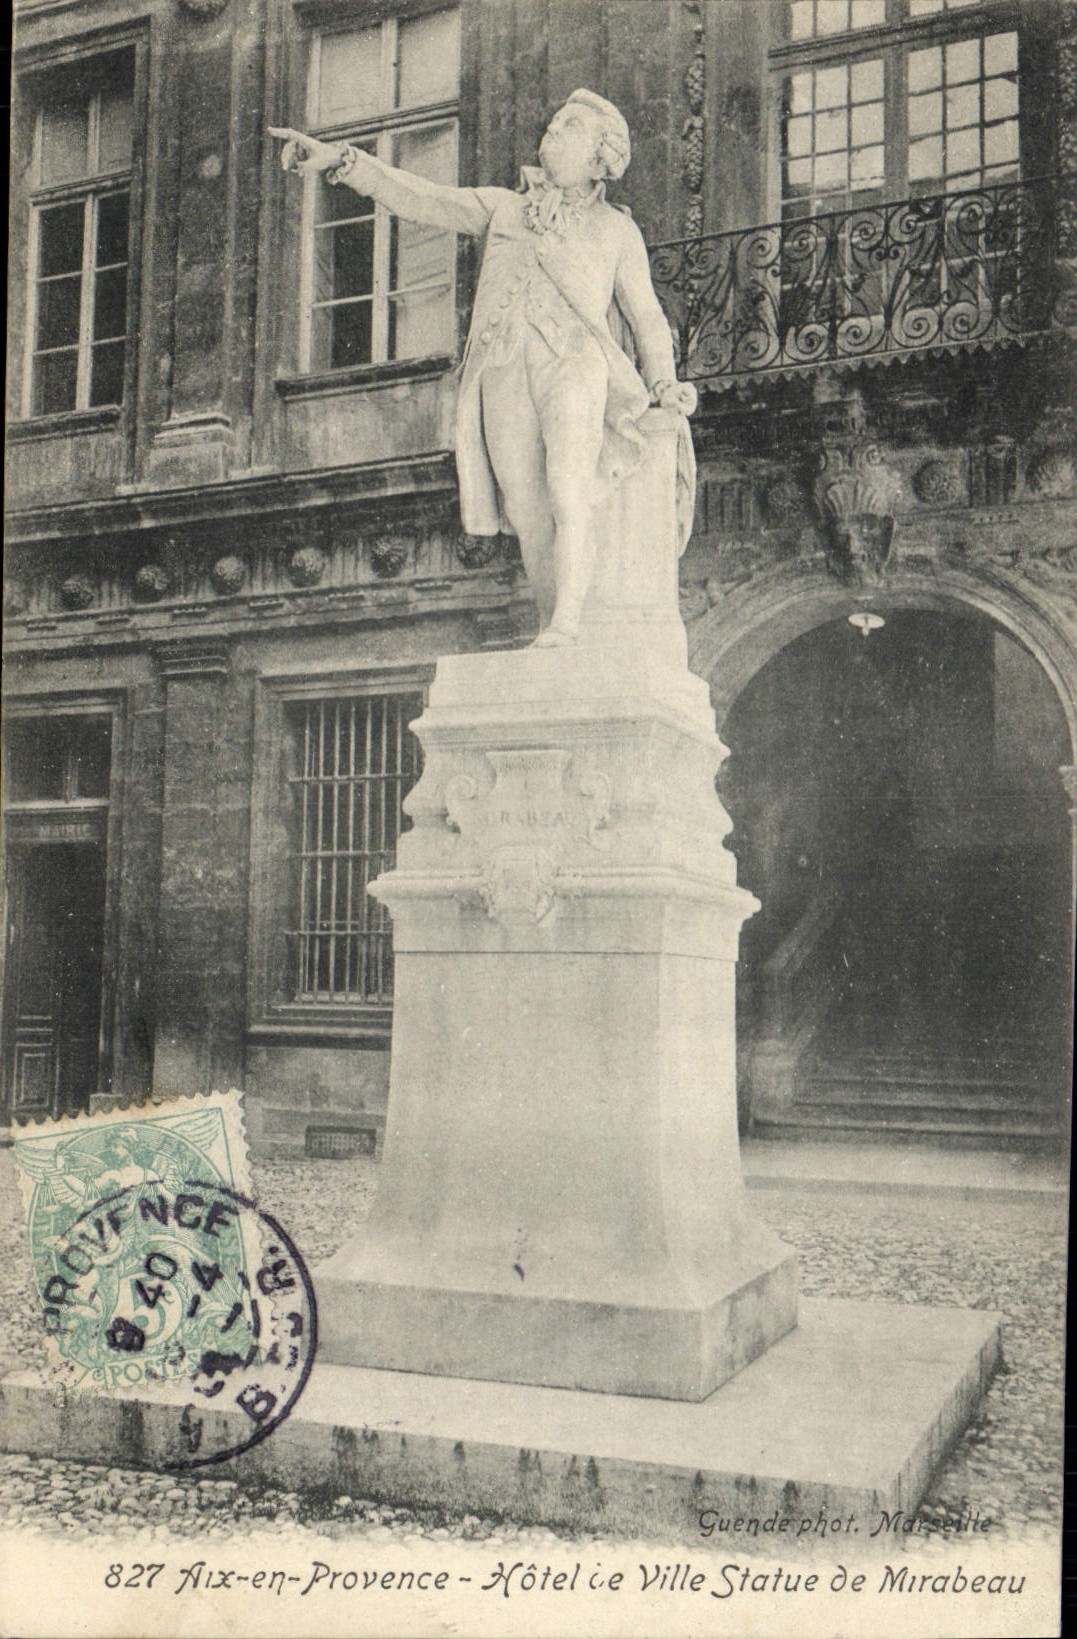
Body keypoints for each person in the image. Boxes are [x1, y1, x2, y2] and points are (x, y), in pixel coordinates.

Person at [271, 90, 696, 646]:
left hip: (575, 361)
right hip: (502, 363)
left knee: (568, 488)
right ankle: (554, 622)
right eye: (554, 121)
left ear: (599, 160)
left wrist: (664, 381)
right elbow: (422, 198)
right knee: (524, 503)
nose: (552, 131)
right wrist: (345, 161)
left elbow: (646, 314)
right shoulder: (502, 207)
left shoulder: (616, 231)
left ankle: (567, 622)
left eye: (569, 128)